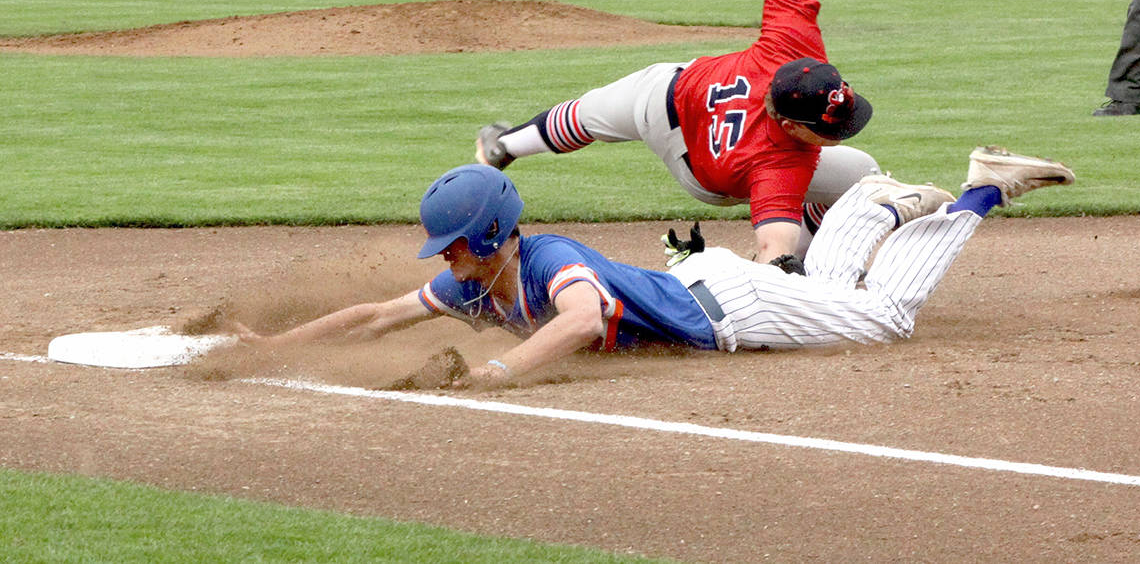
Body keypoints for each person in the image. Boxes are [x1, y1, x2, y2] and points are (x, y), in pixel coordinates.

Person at [233, 147, 1074, 387]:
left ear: (491, 236)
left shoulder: (549, 262)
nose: (444, 259)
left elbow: (582, 318)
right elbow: (378, 315)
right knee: (830, 288)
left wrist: (497, 369)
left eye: (453, 244)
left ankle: (979, 190)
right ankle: (873, 200)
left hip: (731, 311)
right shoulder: (473, 282)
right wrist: (276, 346)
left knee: (885, 320)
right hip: (714, 287)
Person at [476, 0, 881, 264]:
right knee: (591, 116)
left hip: (676, 98)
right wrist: (776, 268)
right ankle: (506, 148)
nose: (843, 129)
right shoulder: (780, 161)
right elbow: (771, 248)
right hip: (689, 146)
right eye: (830, 129)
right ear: (794, 128)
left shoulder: (792, 48)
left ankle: (505, 145)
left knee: (588, 114)